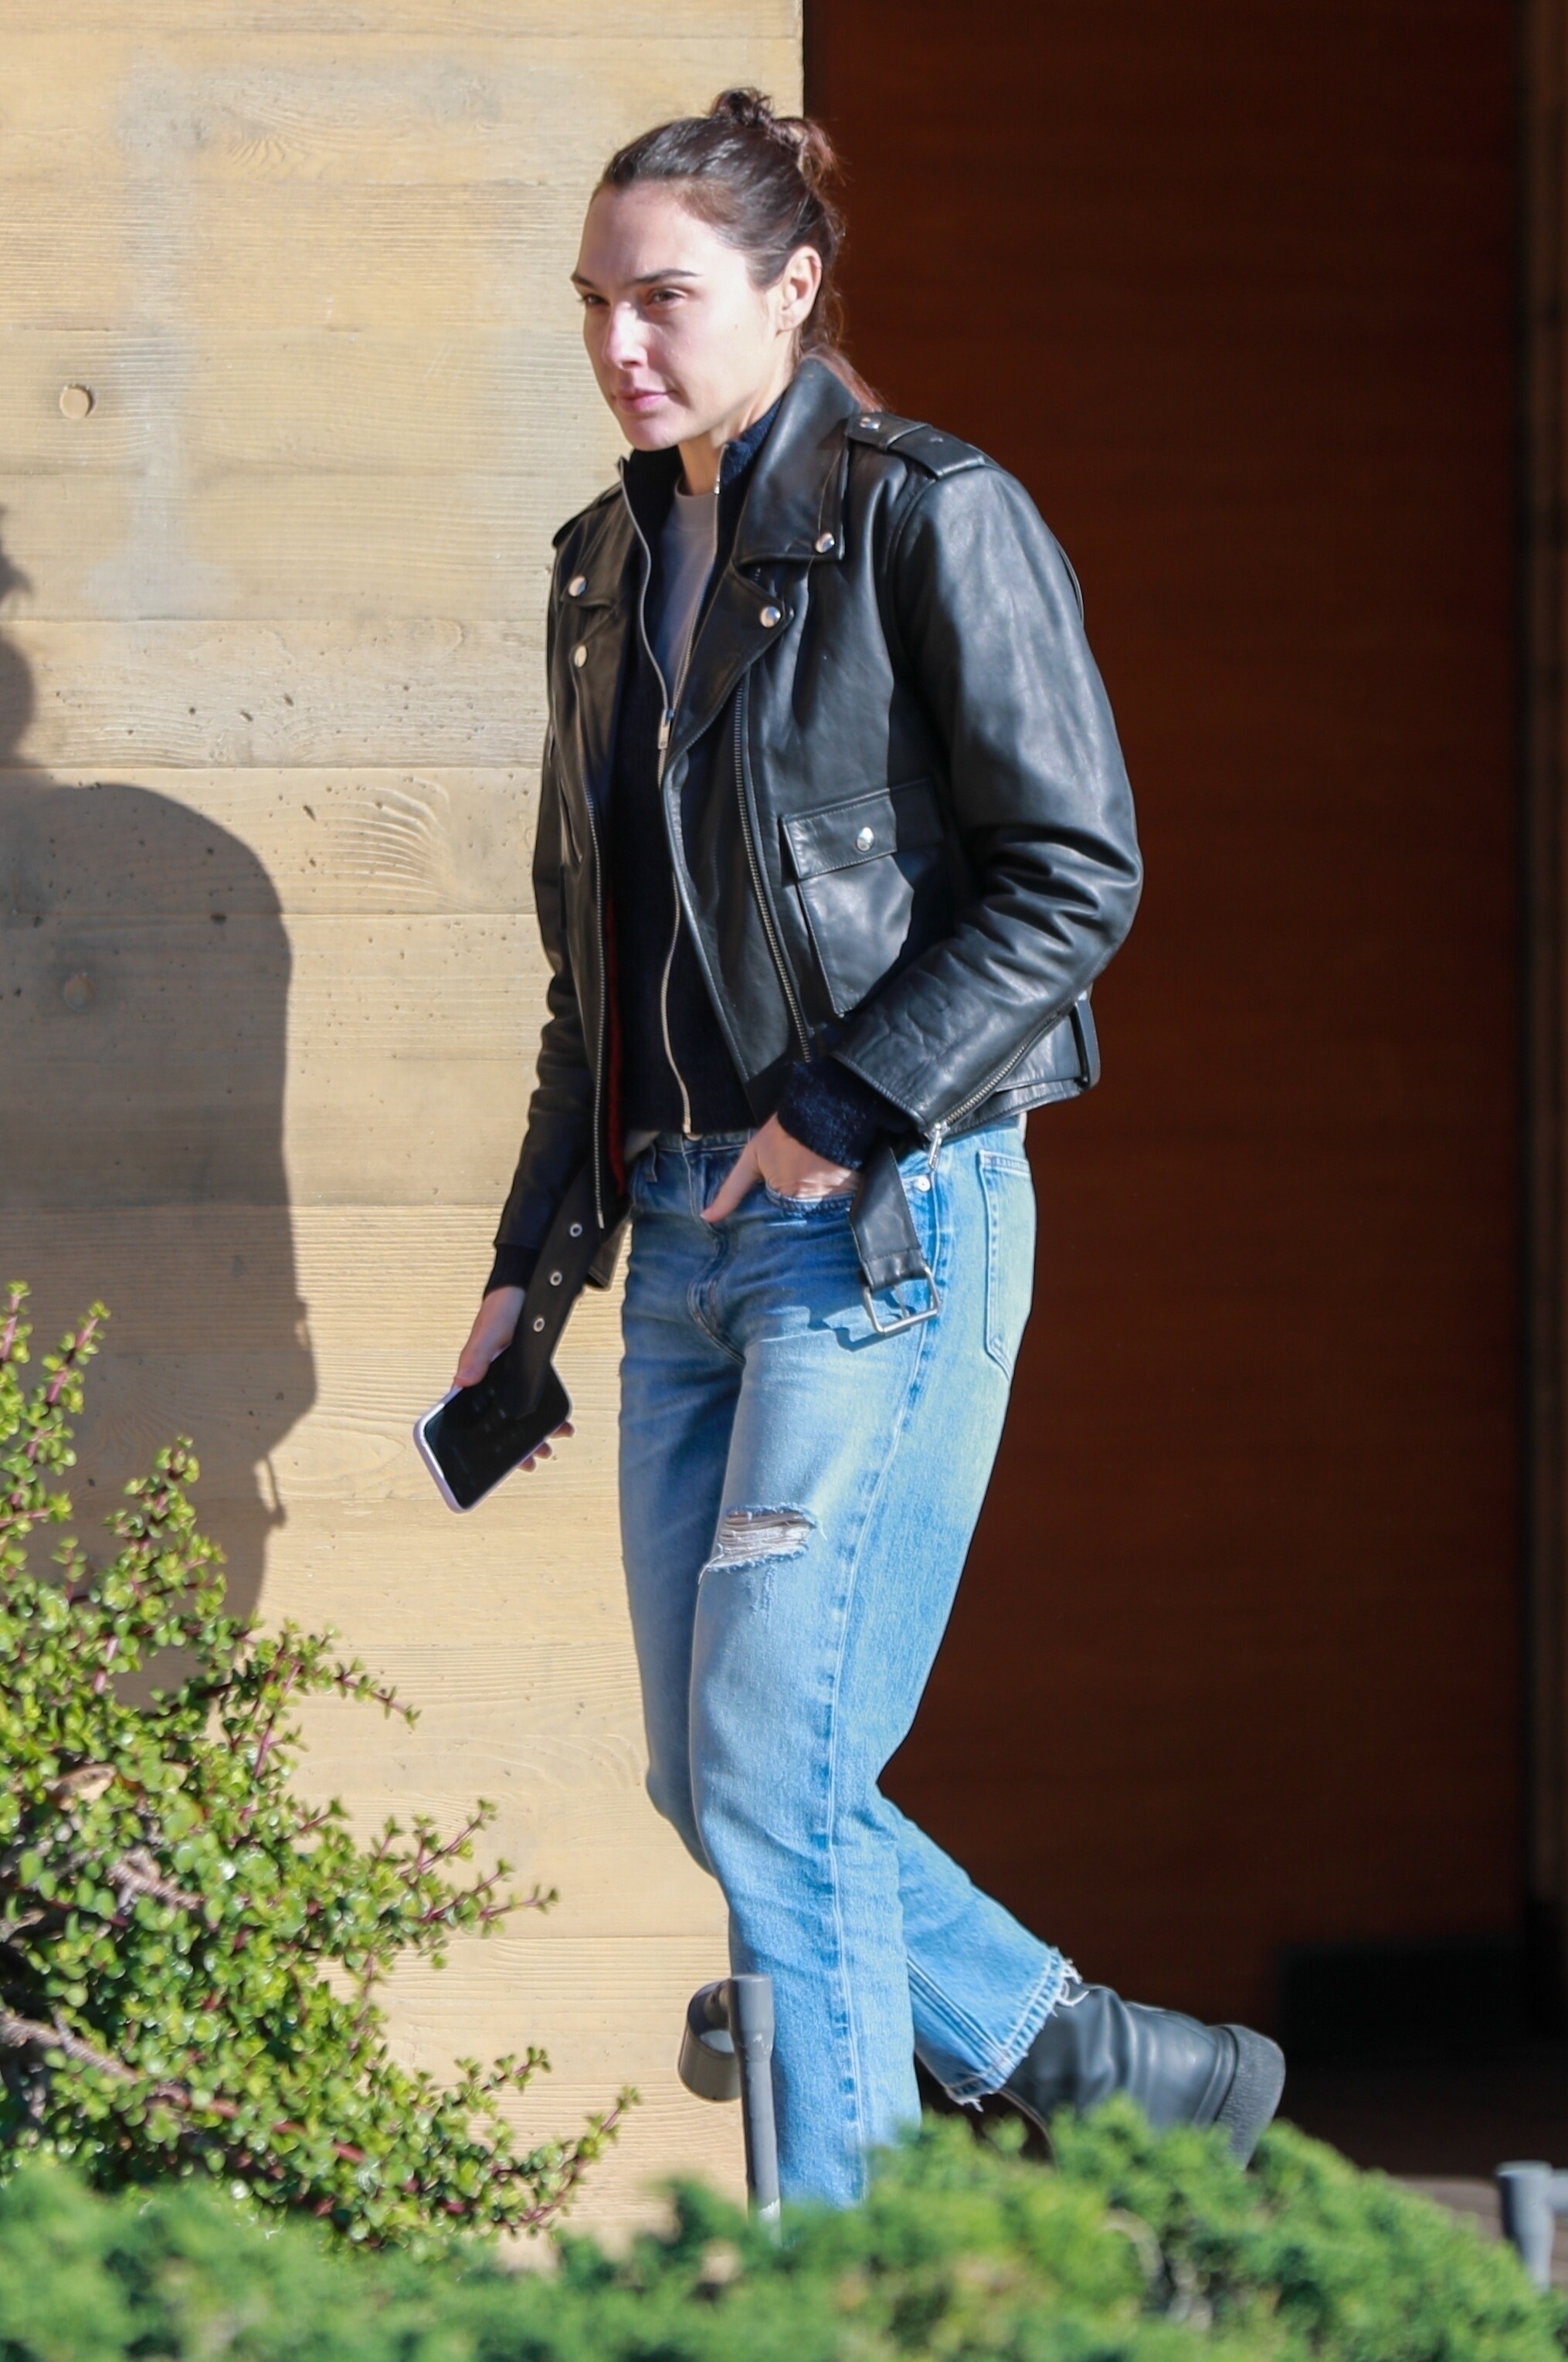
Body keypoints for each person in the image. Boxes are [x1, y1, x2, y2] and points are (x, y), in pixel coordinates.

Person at [453, 89, 1285, 2207]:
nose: (619, 344)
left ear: (793, 289)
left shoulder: (930, 516)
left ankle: (844, 2307)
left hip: (881, 1227)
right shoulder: (603, 570)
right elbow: (595, 968)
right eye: (593, 303)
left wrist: (842, 1105)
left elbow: (1072, 870)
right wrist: (530, 1266)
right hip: (676, 1248)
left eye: (665, 298)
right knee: (719, 1780)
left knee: (770, 1781)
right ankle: (1087, 2058)